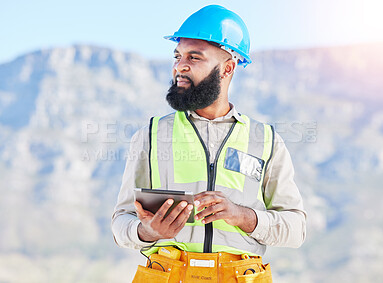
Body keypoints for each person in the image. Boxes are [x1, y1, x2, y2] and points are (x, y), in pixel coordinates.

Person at [111, 5, 306, 283]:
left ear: (227, 68)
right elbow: (121, 222)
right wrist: (149, 232)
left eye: (194, 57)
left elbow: (296, 229)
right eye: (177, 56)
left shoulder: (266, 141)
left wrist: (242, 215)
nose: (180, 65)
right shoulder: (151, 135)